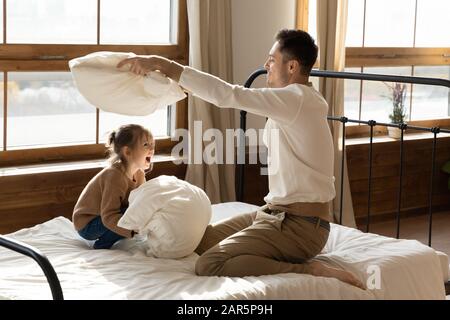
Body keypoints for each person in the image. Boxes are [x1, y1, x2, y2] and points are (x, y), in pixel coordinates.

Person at [117, 29, 365, 289]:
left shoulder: (297, 98)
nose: (266, 65)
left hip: (301, 227)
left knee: (209, 264)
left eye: (271, 59)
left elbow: (228, 94)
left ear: (291, 66)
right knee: (199, 242)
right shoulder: (293, 102)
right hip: (274, 214)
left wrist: (165, 65)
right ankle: (266, 251)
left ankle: (309, 268)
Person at [72, 124, 154, 249]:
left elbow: (139, 202)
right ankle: (102, 246)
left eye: (153, 144)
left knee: (137, 209)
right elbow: (109, 216)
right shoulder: (115, 176)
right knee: (126, 215)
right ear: (127, 152)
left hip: (105, 217)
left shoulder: (139, 174)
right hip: (87, 224)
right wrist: (131, 232)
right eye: (145, 145)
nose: (152, 149)